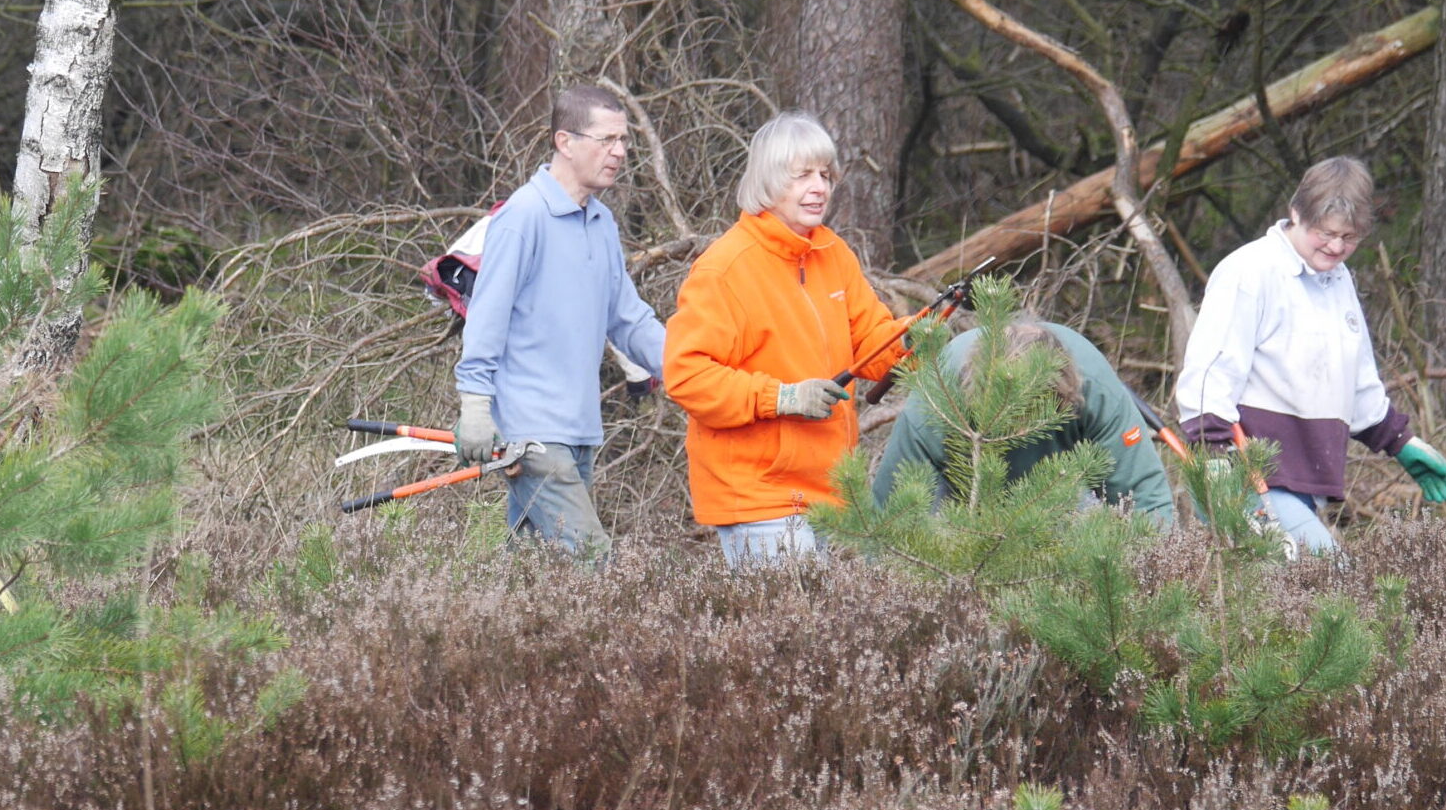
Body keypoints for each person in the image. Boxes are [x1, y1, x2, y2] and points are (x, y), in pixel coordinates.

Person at [1174, 157, 1446, 556]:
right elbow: (1210, 372)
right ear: (1295, 214)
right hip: (1245, 478)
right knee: (1331, 582)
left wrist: (1399, 441)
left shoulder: (1337, 280)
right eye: (1326, 233)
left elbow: (1354, 380)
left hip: (1302, 481)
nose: (1337, 247)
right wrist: (1214, 455)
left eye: (1350, 238)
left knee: (1309, 602)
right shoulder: (1250, 272)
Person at [663, 112, 906, 568]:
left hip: (833, 495)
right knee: (785, 638)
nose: (819, 187)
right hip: (760, 499)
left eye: (825, 175)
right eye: (802, 176)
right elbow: (687, 375)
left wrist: (912, 339)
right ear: (769, 182)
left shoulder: (832, 253)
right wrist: (782, 397)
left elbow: (872, 341)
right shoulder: (725, 269)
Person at [451, 85, 667, 561]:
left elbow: (627, 319)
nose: (619, 152)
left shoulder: (602, 222)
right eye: (606, 139)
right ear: (565, 142)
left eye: (625, 140)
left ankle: (476, 635)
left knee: (535, 576)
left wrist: (689, 367)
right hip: (531, 436)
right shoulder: (522, 217)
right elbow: (485, 321)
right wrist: (475, 406)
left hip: (581, 430)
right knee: (595, 561)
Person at [870, 317, 1176, 527]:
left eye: (1033, 417)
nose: (1019, 432)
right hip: (963, 497)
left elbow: (1144, 497)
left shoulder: (1096, 389)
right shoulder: (935, 403)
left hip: (1061, 492)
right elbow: (893, 517)